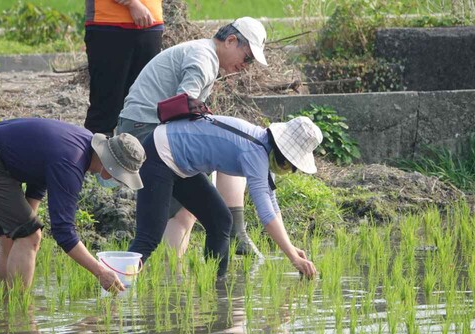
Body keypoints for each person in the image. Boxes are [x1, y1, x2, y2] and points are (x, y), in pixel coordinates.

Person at [117, 16, 268, 257]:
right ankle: (171, 278)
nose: (246, 66)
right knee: (182, 213)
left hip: (146, 126)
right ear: (231, 40)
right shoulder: (203, 59)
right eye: (247, 58)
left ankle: (173, 279)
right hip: (144, 129)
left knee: (188, 211)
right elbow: (182, 107)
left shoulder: (204, 53)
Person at [0, 118, 146, 292]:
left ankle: (8, 308)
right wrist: (100, 272)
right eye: (122, 175)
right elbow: (64, 232)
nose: (120, 181)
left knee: (11, 235)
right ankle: (19, 313)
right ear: (111, 166)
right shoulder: (72, 162)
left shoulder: (82, 144)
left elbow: (40, 170)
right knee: (29, 235)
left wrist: (29, 217)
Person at [129, 115, 322, 278]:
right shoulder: (255, 152)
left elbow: (272, 204)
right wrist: (293, 258)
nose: (287, 169)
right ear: (282, 153)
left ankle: (217, 288)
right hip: (160, 154)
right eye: (289, 164)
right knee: (149, 237)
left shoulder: (264, 148)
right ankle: (117, 286)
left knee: (220, 220)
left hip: (182, 165)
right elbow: (265, 215)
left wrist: (291, 246)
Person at [84, 0, 163, 136]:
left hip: (151, 24)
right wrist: (132, 4)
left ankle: (134, 155)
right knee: (106, 108)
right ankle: (95, 156)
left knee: (143, 108)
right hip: (109, 24)